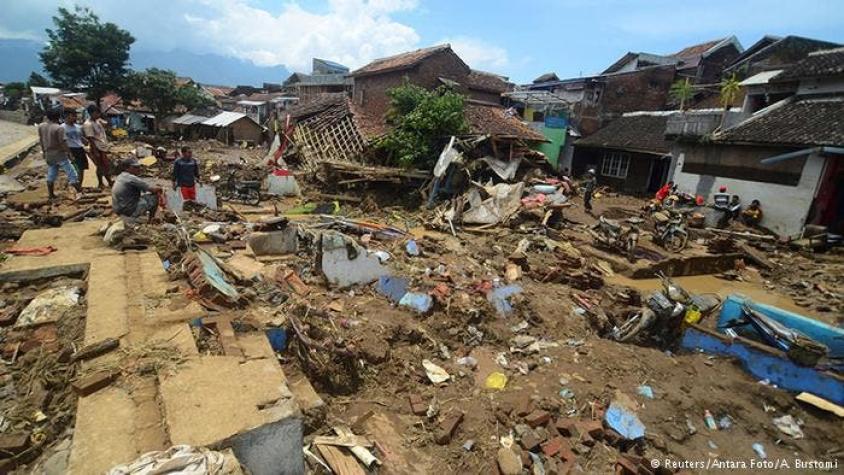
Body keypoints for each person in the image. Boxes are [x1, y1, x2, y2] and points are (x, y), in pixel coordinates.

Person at [38, 107, 80, 200]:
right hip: (59, 154)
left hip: (49, 154)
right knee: (72, 173)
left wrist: (44, 152)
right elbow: (63, 143)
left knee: (51, 173)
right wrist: (70, 154)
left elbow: (41, 140)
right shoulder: (58, 128)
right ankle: (80, 192)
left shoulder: (41, 126)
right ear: (59, 116)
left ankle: (51, 194)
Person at [83, 104, 113, 188]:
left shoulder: (98, 121)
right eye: (96, 113)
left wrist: (105, 116)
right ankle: (103, 182)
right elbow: (90, 139)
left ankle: (107, 181)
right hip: (96, 147)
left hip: (102, 146)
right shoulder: (88, 124)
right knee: (101, 166)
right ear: (91, 113)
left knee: (105, 165)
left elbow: (108, 124)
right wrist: (95, 151)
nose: (98, 115)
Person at [62, 109, 88, 186]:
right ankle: (74, 186)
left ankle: (79, 186)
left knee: (81, 169)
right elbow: (63, 142)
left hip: (80, 149)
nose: (75, 118)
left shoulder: (78, 127)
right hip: (71, 150)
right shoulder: (62, 128)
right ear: (67, 116)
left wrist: (85, 141)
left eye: (75, 116)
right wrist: (69, 153)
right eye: (73, 116)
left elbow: (80, 137)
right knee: (74, 170)